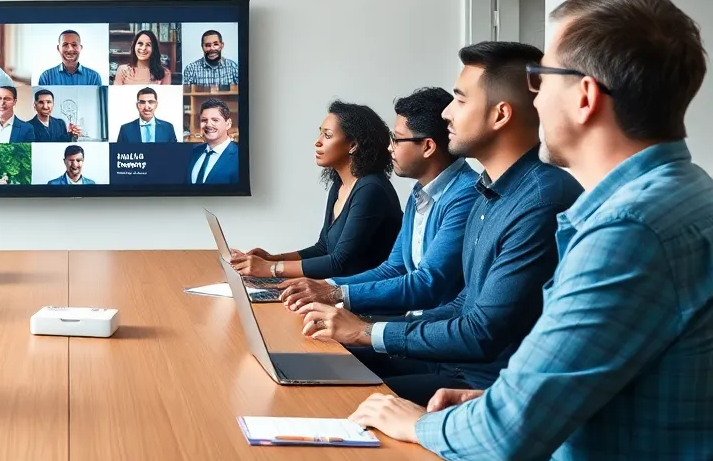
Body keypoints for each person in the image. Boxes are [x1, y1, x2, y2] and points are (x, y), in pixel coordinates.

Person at [350, 0, 712, 461]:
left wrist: (419, 425)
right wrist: (489, 402)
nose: (534, 100)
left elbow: (513, 431)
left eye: (543, 79)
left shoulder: (629, 230)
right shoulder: (684, 194)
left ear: (586, 96)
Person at [300, 43, 582, 406]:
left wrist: (367, 330)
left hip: (481, 386)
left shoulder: (540, 200)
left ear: (500, 116)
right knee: (317, 364)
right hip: (452, 363)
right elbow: (464, 303)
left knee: (333, 397)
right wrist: (362, 328)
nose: (447, 113)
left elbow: (480, 331)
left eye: (460, 100)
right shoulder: (489, 192)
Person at [279, 88, 479, 314]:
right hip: (411, 322)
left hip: (434, 329)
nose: (389, 147)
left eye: (397, 139)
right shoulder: (420, 192)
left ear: (428, 147)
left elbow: (427, 283)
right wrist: (326, 286)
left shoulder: (466, 196)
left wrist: (335, 293)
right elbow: (392, 269)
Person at [232, 101, 402, 280]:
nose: (317, 142)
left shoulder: (371, 189)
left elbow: (339, 263)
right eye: (320, 133)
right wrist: (270, 259)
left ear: (353, 145)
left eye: (327, 136)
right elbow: (322, 248)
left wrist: (271, 268)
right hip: (336, 291)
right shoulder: (339, 184)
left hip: (364, 300)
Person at [185, 99, 240, 184]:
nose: (208, 124)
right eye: (204, 120)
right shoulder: (195, 151)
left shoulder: (239, 156)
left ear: (228, 124)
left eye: (215, 120)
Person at [37, 30, 104, 85]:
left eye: (74, 45)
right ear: (58, 48)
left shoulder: (94, 77)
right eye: (65, 44)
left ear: (80, 48)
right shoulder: (46, 77)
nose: (70, 49)